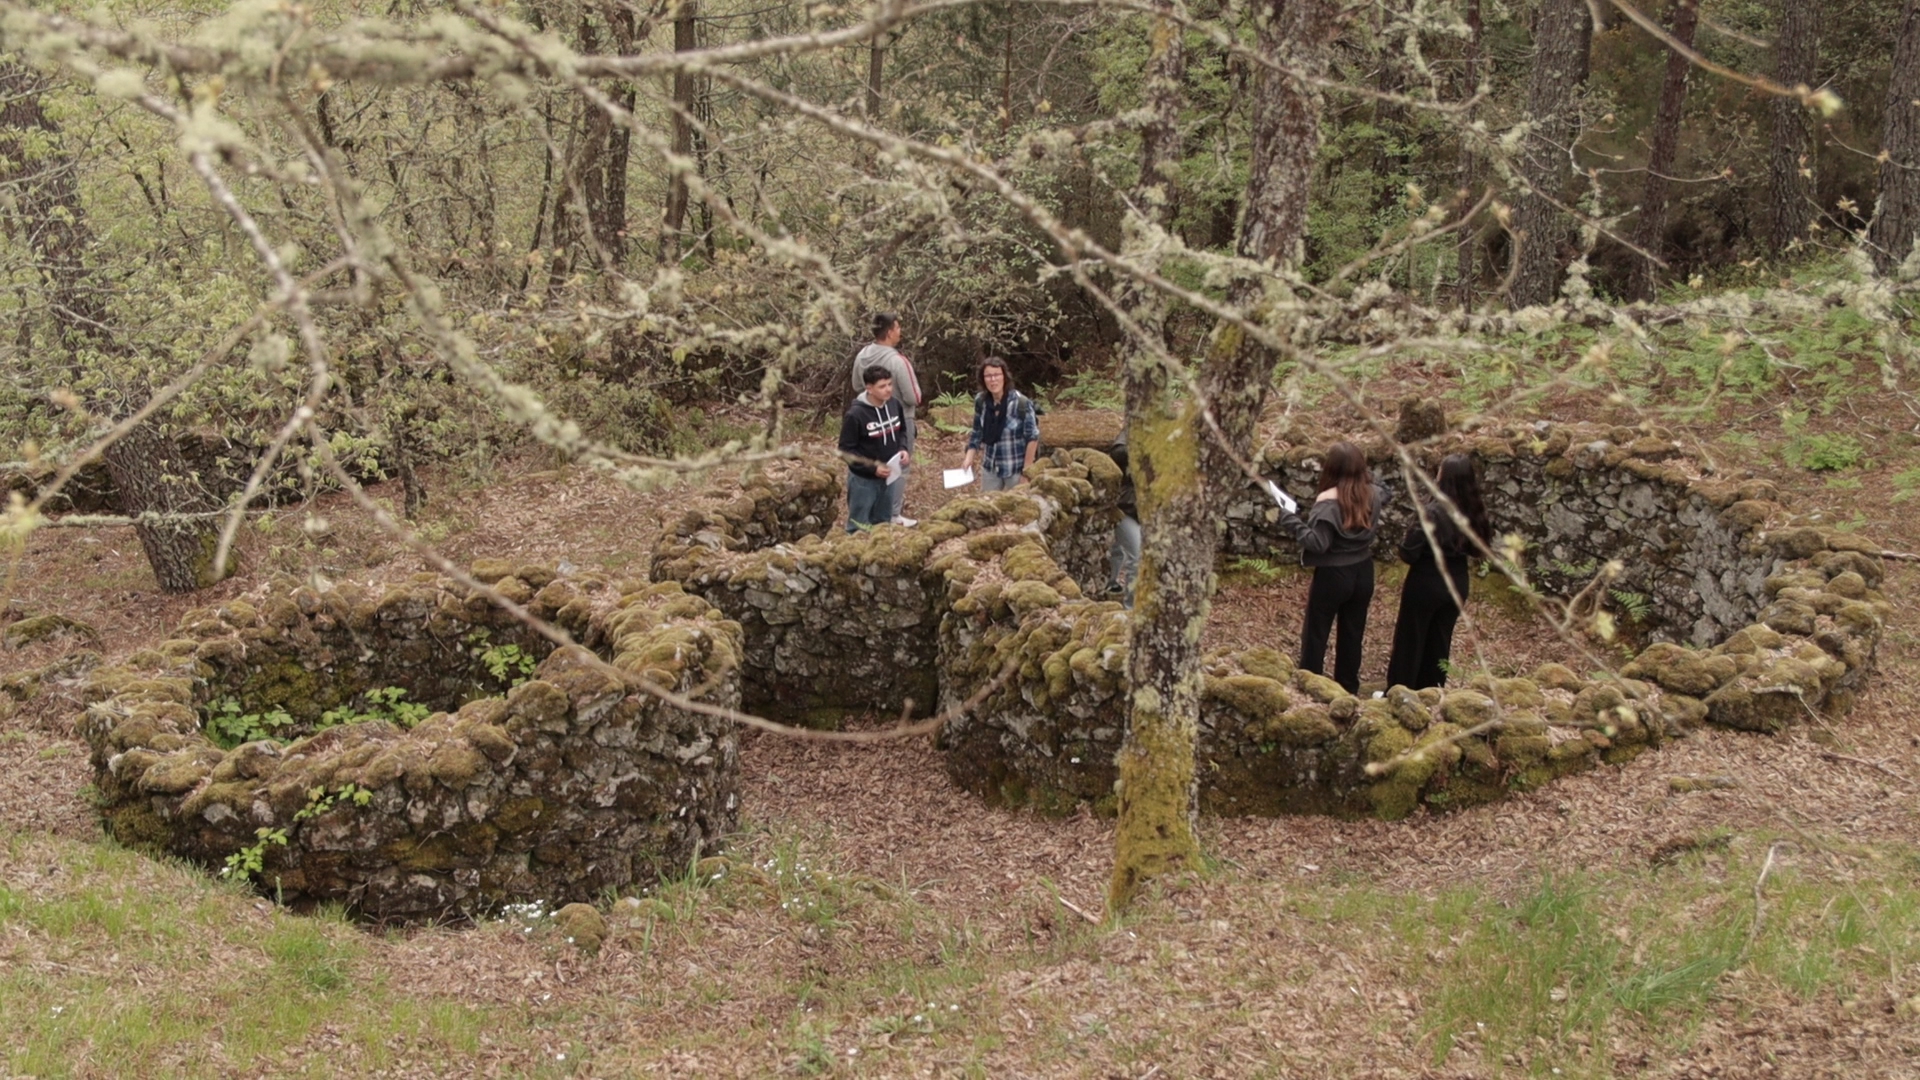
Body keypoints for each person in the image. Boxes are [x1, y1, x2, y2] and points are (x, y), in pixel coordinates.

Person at [1278, 441, 1392, 694]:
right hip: (1363, 571)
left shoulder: (1328, 504)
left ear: (1331, 469)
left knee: (1316, 633)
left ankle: (1310, 685)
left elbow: (1317, 543)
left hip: (1333, 575)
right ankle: (1348, 688)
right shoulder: (1372, 493)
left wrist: (1290, 519)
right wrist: (1366, 476)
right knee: (1352, 634)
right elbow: (1386, 490)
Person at [1385, 453, 1490, 691]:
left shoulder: (1432, 512)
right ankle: (1432, 691)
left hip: (1427, 580)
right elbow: (1479, 548)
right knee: (1440, 641)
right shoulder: (1473, 509)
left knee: (1410, 640)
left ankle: (1399, 692)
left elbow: (1408, 552)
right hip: (1457, 582)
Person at [851, 312, 921, 526]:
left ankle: (871, 515)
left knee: (875, 465)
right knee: (900, 465)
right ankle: (892, 515)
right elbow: (914, 397)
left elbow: (856, 385)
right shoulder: (898, 361)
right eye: (898, 328)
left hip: (869, 418)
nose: (900, 332)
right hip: (899, 419)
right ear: (890, 332)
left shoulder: (862, 354)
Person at [838, 366, 906, 533]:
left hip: (889, 476)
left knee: (883, 523)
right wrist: (872, 468)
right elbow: (845, 450)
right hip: (863, 481)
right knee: (859, 526)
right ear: (869, 388)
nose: (888, 389)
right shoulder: (855, 415)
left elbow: (902, 430)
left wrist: (903, 448)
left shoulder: (894, 405)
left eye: (890, 384)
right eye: (882, 386)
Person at [959, 357, 1039, 492]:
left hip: (1015, 468)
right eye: (988, 376)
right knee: (987, 508)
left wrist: (1026, 472)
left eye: (996, 375)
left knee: (1018, 510)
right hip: (990, 467)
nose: (993, 380)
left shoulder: (1020, 403)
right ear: (983, 379)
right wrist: (968, 458)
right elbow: (977, 432)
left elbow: (1033, 438)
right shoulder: (981, 401)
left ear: (1004, 377)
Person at [1105, 430, 1139, 606]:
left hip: (1148, 512)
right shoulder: (1131, 433)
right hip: (1125, 508)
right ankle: (1130, 608)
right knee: (1136, 556)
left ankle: (1111, 585)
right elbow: (1117, 453)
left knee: (1118, 551)